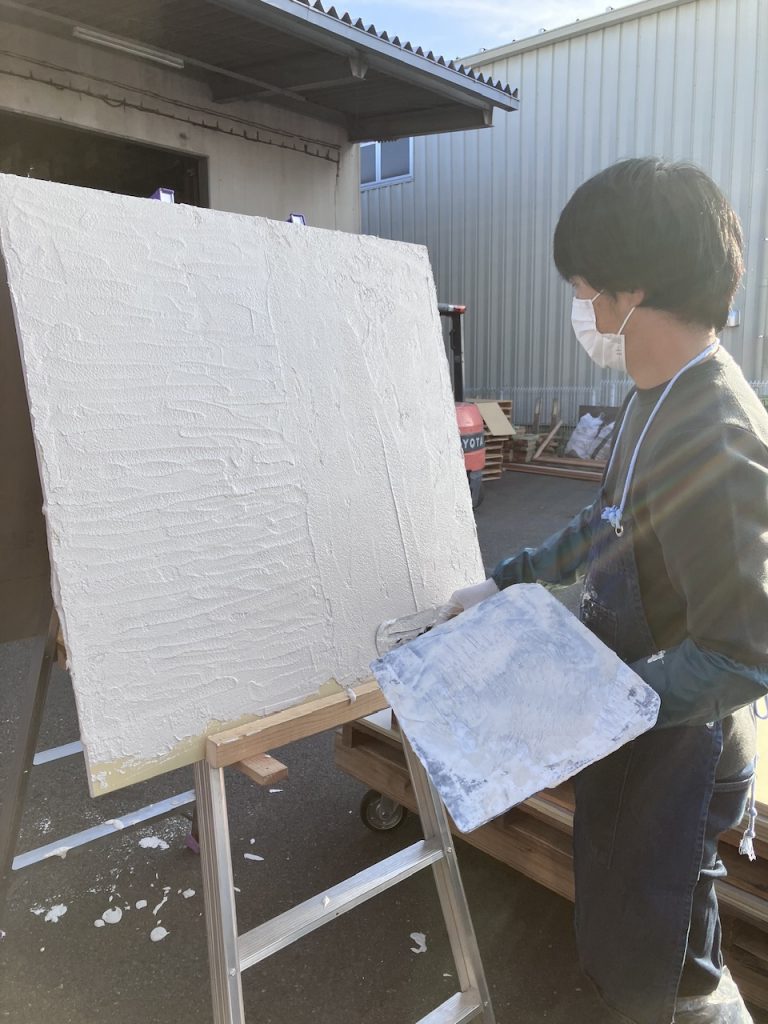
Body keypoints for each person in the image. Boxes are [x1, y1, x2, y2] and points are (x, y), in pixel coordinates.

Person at [444, 158, 768, 1024]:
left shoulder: (715, 430)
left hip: (684, 747)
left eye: (583, 291)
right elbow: (607, 522)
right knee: (630, 927)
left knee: (672, 964)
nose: (581, 311)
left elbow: (742, 655)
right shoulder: (652, 397)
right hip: (642, 726)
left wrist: (601, 700)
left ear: (632, 294)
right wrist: (505, 580)